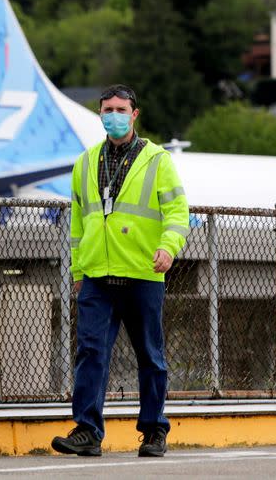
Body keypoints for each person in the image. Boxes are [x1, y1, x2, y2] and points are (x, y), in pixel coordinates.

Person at [52, 84, 189, 458]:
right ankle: (87, 430)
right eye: (107, 109)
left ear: (134, 114)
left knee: (150, 355)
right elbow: (78, 225)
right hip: (97, 275)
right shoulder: (85, 163)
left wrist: (168, 247)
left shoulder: (157, 160)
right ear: (100, 114)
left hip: (142, 273)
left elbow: (178, 213)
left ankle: (154, 431)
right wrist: (78, 272)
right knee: (91, 352)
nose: (113, 115)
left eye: (120, 109)